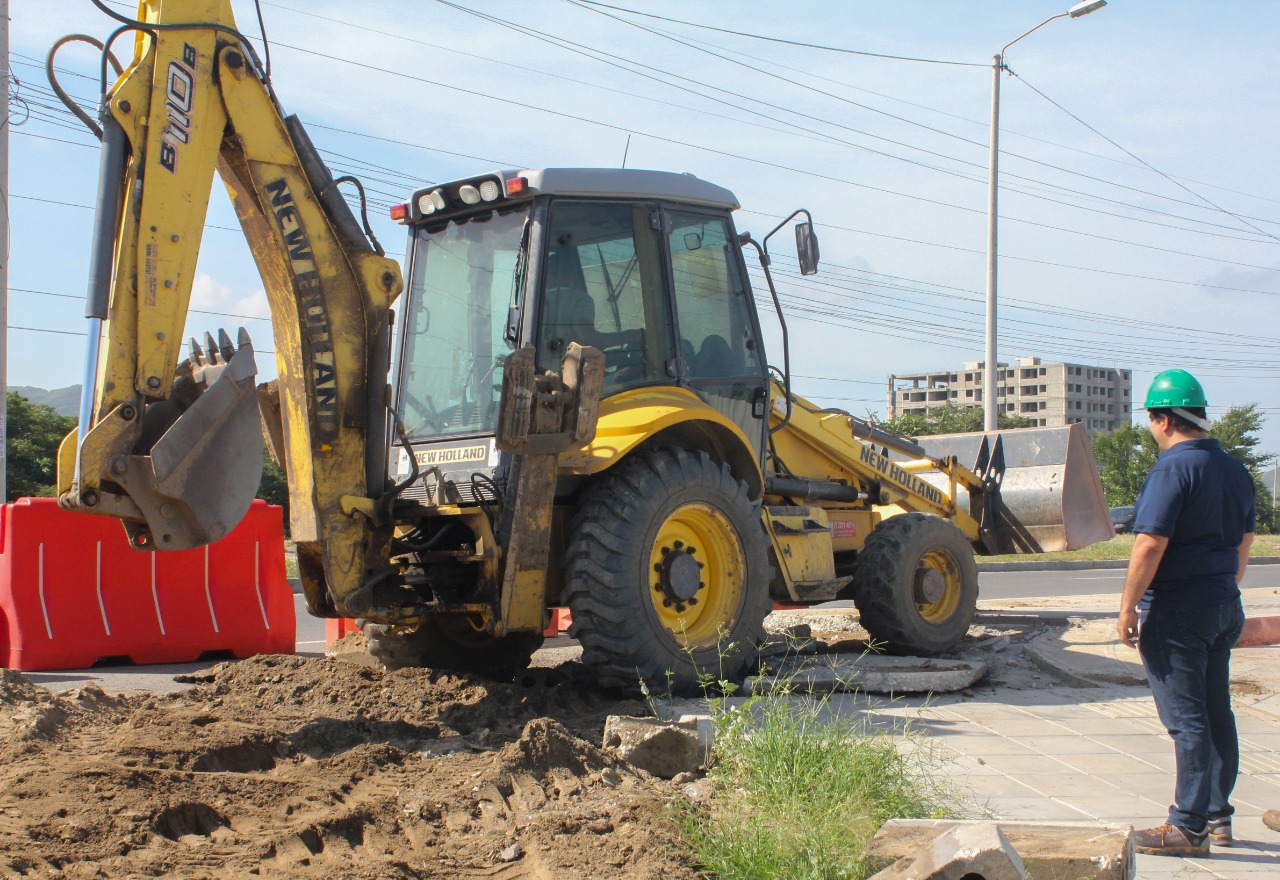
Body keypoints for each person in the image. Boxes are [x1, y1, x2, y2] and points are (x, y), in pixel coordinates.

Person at [1117, 369, 1255, 858]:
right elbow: (1245, 541)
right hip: (1222, 606)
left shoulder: (1173, 469)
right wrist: (1223, 589)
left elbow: (1150, 542)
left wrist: (1128, 606)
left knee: (1188, 721)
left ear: (1163, 420)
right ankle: (1217, 815)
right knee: (1217, 712)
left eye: (1151, 421)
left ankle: (1188, 827)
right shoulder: (1234, 470)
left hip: (1177, 611)